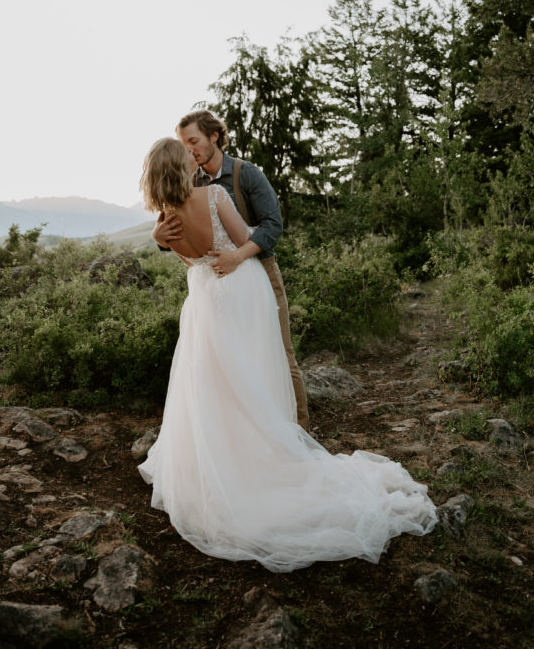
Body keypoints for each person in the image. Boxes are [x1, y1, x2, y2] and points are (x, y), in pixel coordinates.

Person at [137, 137, 437, 573]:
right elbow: (246, 241)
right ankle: (269, 452)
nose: (194, 162)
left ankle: (230, 459)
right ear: (179, 169)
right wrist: (235, 252)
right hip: (239, 290)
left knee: (217, 381)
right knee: (255, 369)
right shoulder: (215, 194)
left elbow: (192, 261)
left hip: (203, 299)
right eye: (187, 158)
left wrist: (160, 238)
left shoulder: (165, 224)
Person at [152, 109, 309, 431]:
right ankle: (244, 435)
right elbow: (174, 235)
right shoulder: (188, 181)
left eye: (193, 141)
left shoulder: (244, 174)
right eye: (184, 144)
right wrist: (158, 240)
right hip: (215, 286)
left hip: (257, 269)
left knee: (280, 354)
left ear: (213, 136)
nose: (190, 149)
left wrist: (238, 256)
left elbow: (273, 226)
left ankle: (299, 429)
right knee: (227, 363)